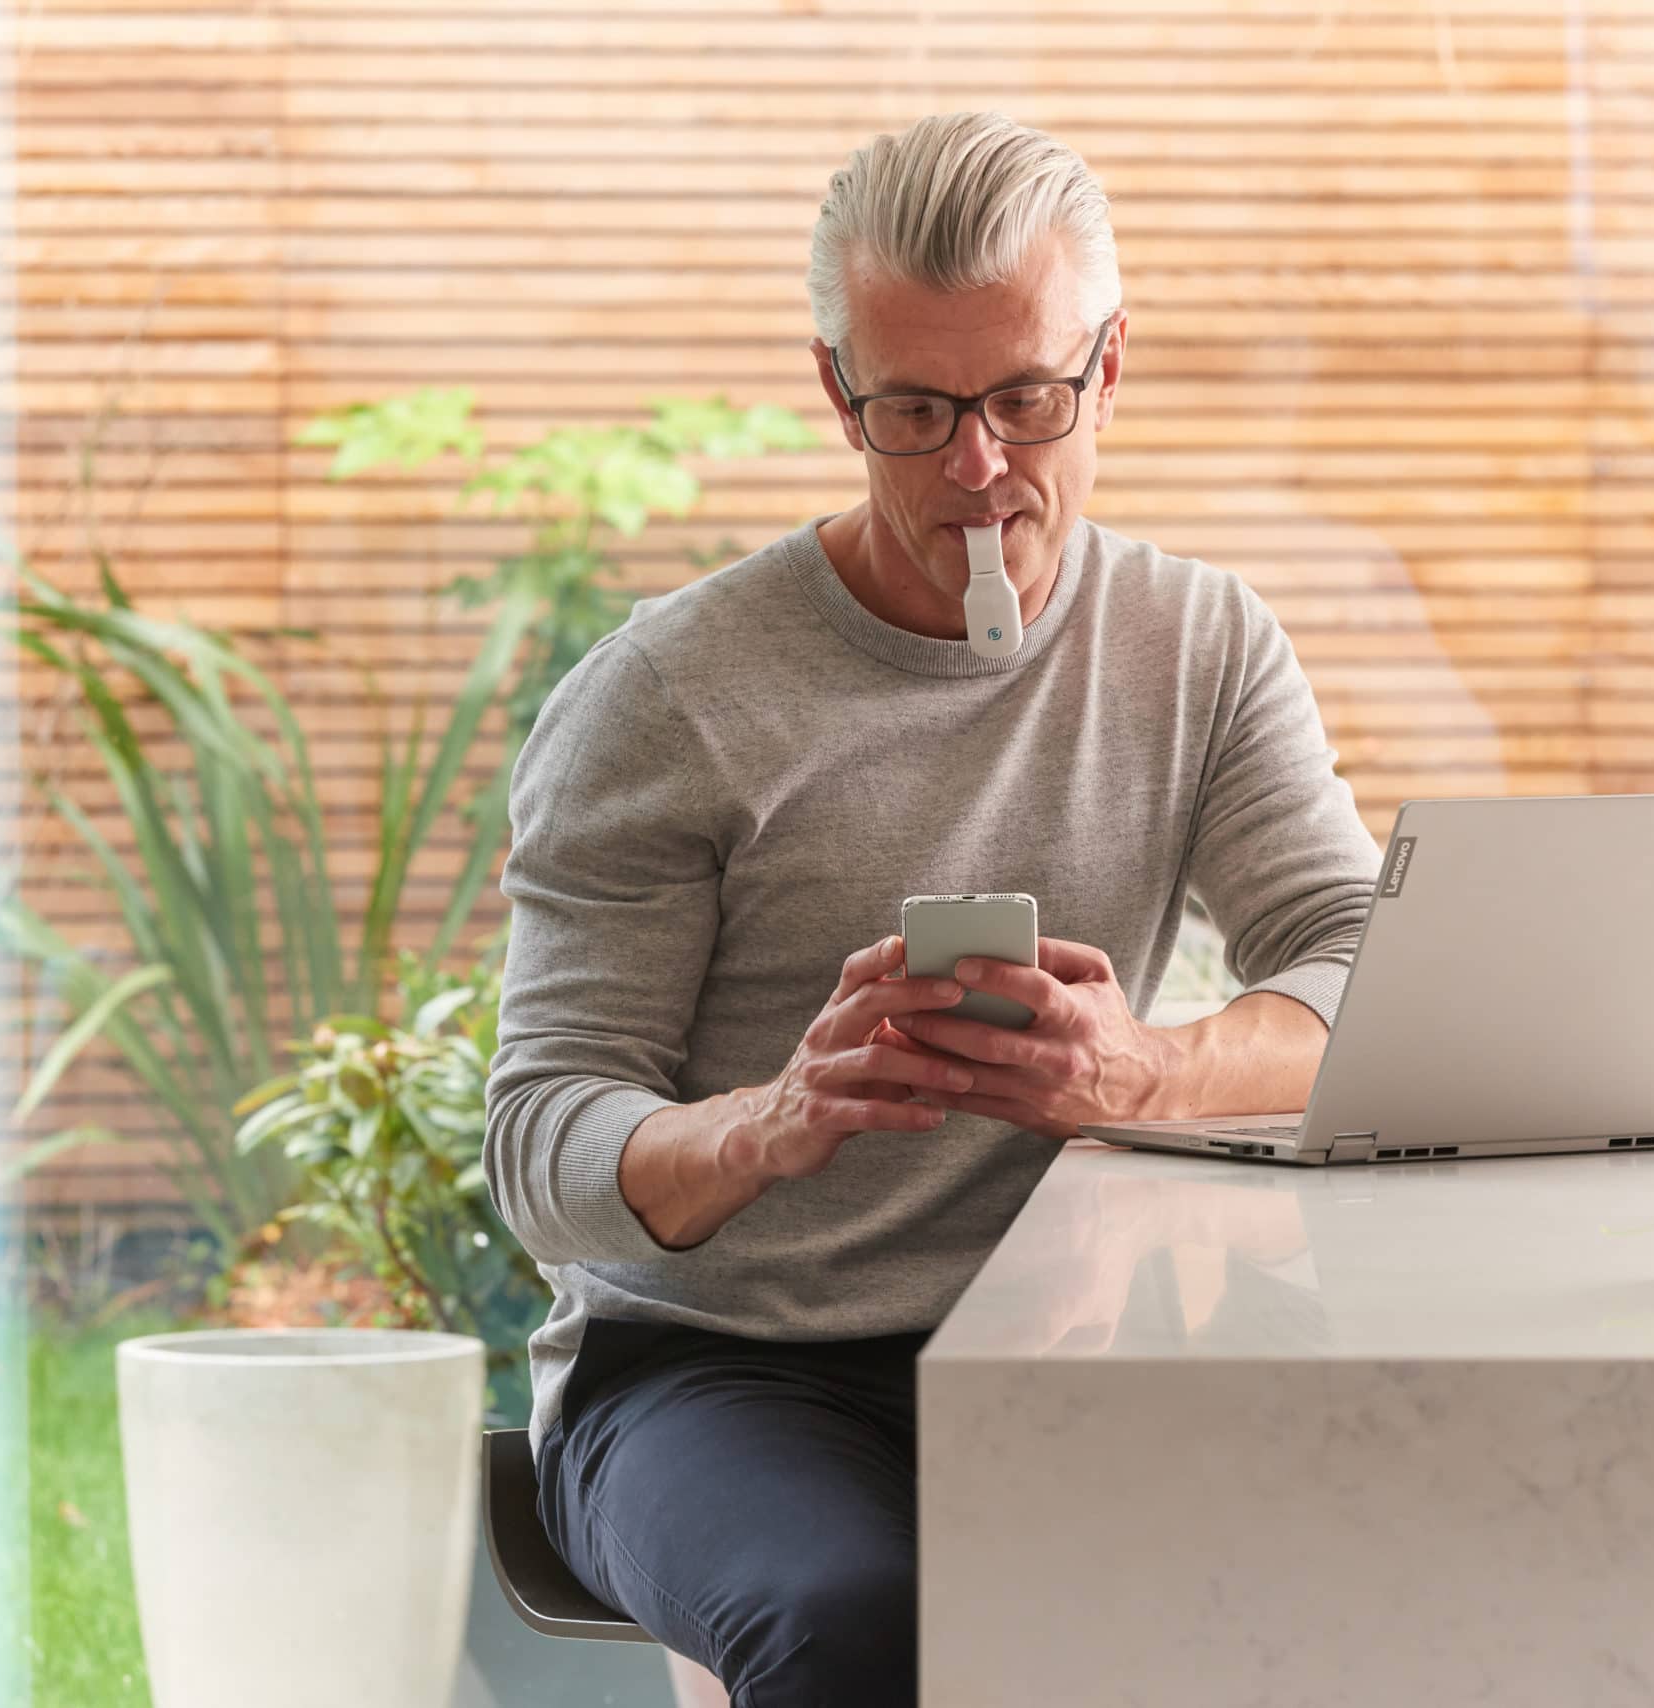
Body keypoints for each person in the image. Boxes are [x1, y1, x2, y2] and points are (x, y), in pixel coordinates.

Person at [482, 110, 1382, 1706]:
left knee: (1395, 1556)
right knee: (858, 1625)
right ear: (839, 393)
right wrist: (767, 1123)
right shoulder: (666, 698)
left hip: (1073, 1344)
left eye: (1026, 399)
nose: (978, 468)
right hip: (713, 1373)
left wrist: (1143, 1073)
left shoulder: (1200, 645)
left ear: (1109, 369)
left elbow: (1362, 966)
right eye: (915, 409)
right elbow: (543, 1147)